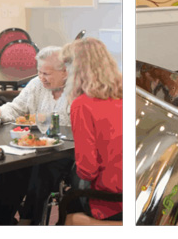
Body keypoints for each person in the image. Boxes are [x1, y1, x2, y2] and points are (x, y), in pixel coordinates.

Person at [0, 46, 70, 224]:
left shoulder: (78, 90)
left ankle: (29, 221)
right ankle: (1, 221)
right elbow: (15, 108)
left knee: (40, 171)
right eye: (39, 72)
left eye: (47, 73)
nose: (41, 78)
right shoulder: (36, 85)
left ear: (65, 72)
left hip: (66, 152)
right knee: (10, 167)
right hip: (34, 148)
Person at [59, 38, 122, 224]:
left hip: (109, 198)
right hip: (138, 191)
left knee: (68, 210)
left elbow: (87, 170)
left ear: (75, 69)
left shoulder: (82, 105)